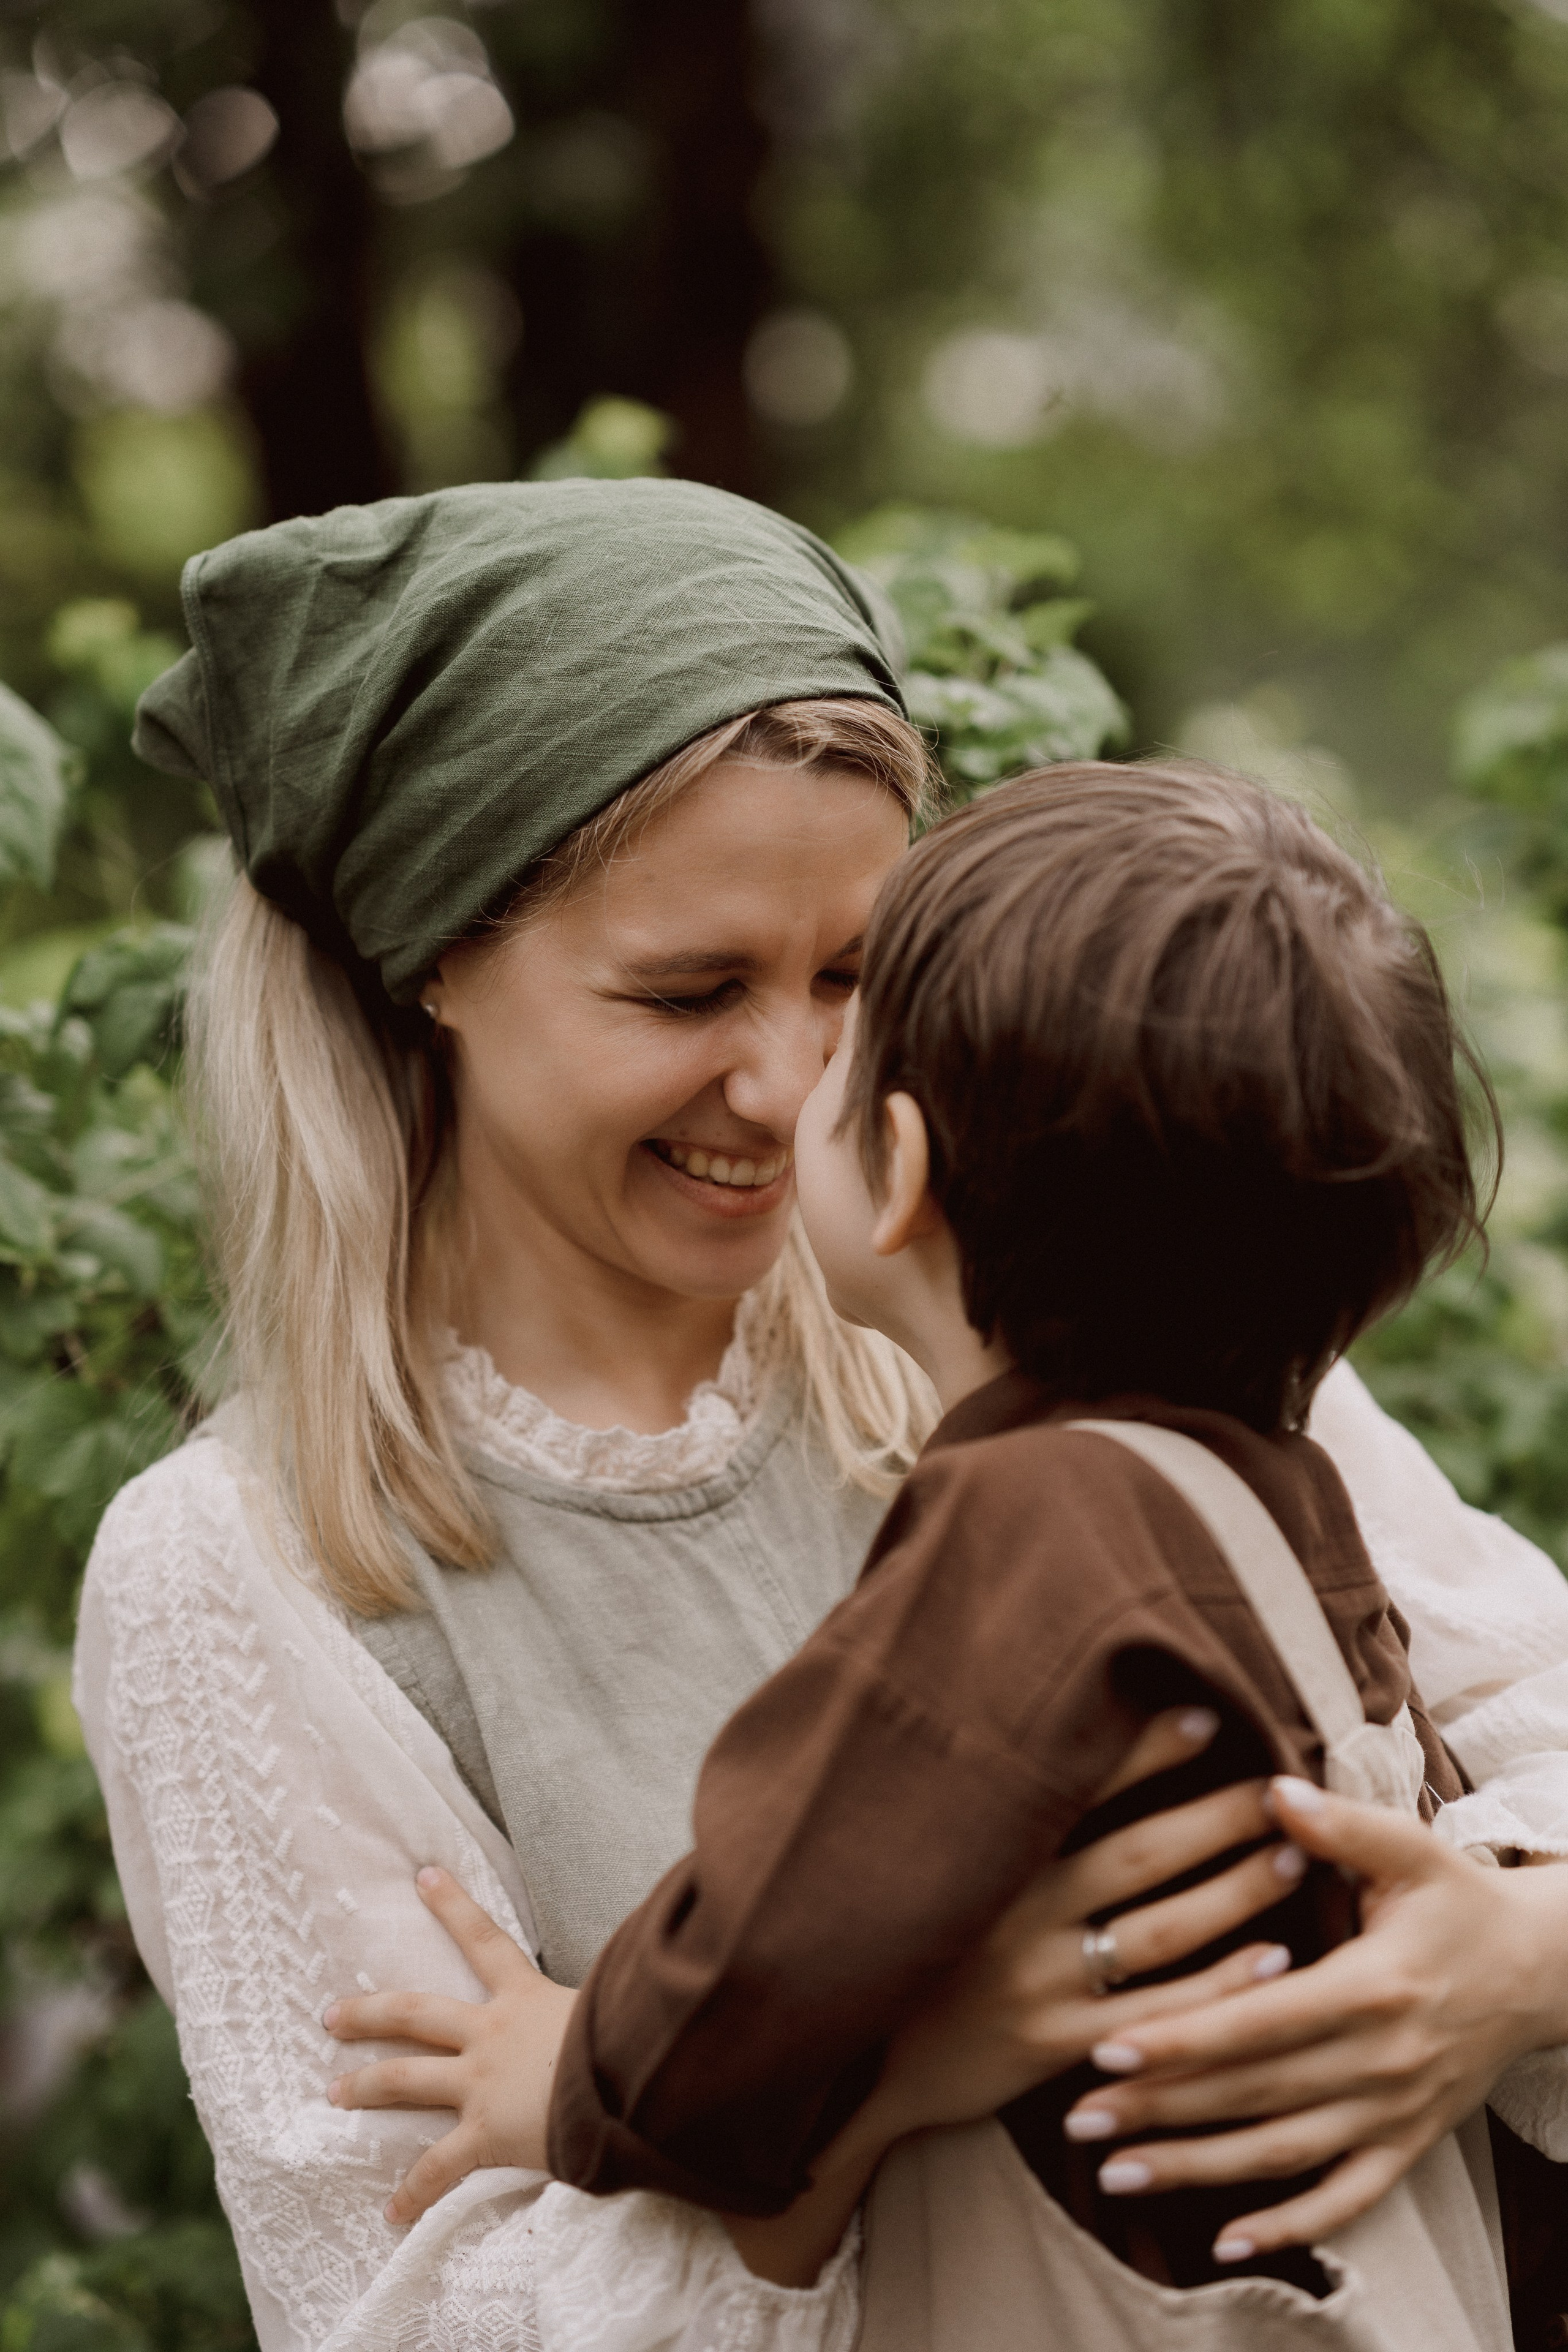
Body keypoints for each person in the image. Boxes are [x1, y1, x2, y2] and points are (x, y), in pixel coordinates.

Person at [72, 483, 1568, 2352]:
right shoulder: (243, 1568)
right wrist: (910, 2065)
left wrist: (1500, 1960)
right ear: (425, 958)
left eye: (858, 977)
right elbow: (431, 2318)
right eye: (689, 989)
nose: (789, 1087)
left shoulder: (1095, 1296)